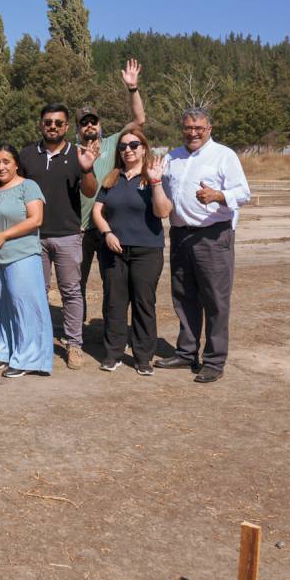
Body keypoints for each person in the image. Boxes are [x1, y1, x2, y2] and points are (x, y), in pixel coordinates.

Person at [155, 107, 251, 383]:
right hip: (181, 235)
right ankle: (186, 352)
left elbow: (243, 192)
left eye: (199, 128)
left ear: (209, 128)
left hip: (213, 236)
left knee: (215, 300)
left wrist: (219, 195)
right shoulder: (173, 157)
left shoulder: (224, 155)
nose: (193, 132)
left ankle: (214, 360)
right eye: (188, 127)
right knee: (183, 296)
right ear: (182, 128)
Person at [17, 104, 100, 369]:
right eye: (48, 122)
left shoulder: (78, 154)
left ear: (66, 127)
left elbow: (89, 192)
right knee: (36, 291)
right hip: (33, 235)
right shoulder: (27, 155)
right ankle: (37, 340)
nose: (52, 126)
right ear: (41, 124)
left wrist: (87, 168)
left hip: (67, 235)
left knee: (71, 292)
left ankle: (74, 345)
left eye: (58, 123)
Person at [0, 145, 52, 378]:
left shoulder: (28, 186)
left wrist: (5, 235)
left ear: (16, 163)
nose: (1, 166)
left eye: (6, 161)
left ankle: (28, 358)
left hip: (22, 255)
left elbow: (36, 219)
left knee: (24, 307)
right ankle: (2, 351)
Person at [92, 129, 171, 375]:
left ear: (144, 148)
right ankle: (113, 353)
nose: (128, 149)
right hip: (114, 250)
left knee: (143, 303)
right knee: (114, 303)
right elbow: (97, 211)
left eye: (134, 144)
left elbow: (163, 212)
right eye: (123, 146)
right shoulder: (111, 178)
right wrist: (107, 233)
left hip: (146, 251)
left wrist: (156, 182)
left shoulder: (153, 177)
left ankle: (143, 357)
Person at [77, 59, 147, 317]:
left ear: (99, 124)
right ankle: (77, 333)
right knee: (76, 285)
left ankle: (110, 328)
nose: (90, 126)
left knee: (112, 284)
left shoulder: (114, 143)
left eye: (93, 121)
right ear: (77, 128)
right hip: (80, 230)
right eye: (84, 123)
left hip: (110, 228)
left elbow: (139, 120)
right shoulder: (71, 152)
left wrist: (132, 89)